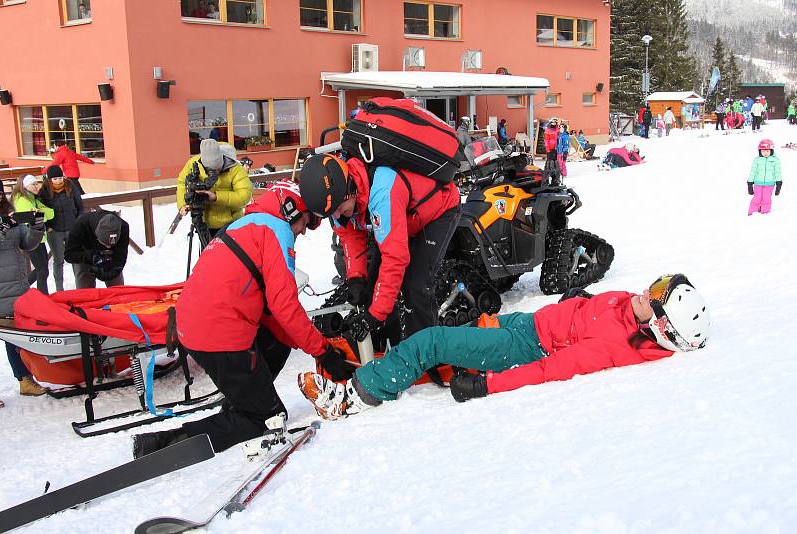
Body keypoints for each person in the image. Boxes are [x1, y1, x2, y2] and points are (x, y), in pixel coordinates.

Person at [131, 181, 350, 457]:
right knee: (267, 420)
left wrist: (306, 341)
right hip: (219, 333)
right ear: (293, 211)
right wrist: (323, 351)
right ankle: (167, 444)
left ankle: (247, 398)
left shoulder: (244, 225)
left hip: (196, 325)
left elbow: (273, 314)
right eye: (307, 222)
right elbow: (285, 306)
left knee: (279, 343)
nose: (304, 230)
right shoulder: (277, 230)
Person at [300, 274, 711, 419]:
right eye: (656, 282)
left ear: (660, 326)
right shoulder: (626, 308)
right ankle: (378, 373)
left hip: (524, 345)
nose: (645, 290)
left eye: (654, 295)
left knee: (433, 340)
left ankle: (354, 396)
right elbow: (590, 314)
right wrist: (575, 302)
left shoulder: (614, 347)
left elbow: (554, 369)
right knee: (451, 341)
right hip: (527, 323)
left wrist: (488, 386)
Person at [298, 153, 461, 347]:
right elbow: (350, 235)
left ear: (349, 190)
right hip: (403, 220)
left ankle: (426, 354)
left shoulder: (383, 190)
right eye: (331, 213)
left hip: (436, 212)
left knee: (415, 286)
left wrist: (374, 315)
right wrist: (357, 278)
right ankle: (386, 345)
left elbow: (395, 259)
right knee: (372, 283)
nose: (337, 214)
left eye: (339, 208)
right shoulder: (336, 202)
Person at [0, 174, 48, 403]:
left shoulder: (8, 218)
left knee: (14, 338)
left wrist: (36, 229)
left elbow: (27, 243)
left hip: (15, 289)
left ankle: (24, 379)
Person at [176, 139, 253, 242]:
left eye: (218, 168)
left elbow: (244, 196)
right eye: (211, 170)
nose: (216, 172)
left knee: (227, 257)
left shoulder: (235, 168)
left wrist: (216, 197)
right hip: (203, 223)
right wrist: (183, 204)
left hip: (230, 225)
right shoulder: (193, 164)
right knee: (207, 257)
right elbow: (181, 182)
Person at [39, 165, 83, 292]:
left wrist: (78, 222)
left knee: (76, 258)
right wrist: (48, 226)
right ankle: (59, 289)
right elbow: (41, 210)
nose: (58, 181)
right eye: (55, 179)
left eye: (60, 178)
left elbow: (79, 205)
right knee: (58, 260)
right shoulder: (44, 191)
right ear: (49, 180)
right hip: (55, 230)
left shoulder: (70, 186)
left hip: (72, 228)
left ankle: (80, 287)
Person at [64, 210, 129, 288]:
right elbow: (69, 255)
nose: (108, 247)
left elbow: (120, 258)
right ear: (97, 236)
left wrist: (111, 273)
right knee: (85, 291)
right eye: (105, 243)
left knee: (117, 288)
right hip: (84, 255)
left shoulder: (123, 227)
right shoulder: (80, 225)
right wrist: (92, 257)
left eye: (112, 245)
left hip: (110, 258)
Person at [12, 175, 54, 295]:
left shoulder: (33, 199)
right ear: (25, 186)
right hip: (30, 239)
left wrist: (40, 214)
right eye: (33, 184)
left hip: (38, 238)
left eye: (37, 183)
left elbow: (51, 214)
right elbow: (32, 219)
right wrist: (40, 214)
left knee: (42, 269)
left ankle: (20, 290)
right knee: (42, 271)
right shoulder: (22, 200)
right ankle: (43, 298)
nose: (36, 186)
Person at [747, 139, 782, 216]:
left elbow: (777, 172)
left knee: (766, 198)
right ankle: (753, 212)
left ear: (771, 150)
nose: (765, 153)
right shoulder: (757, 160)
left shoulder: (775, 160)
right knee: (757, 198)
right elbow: (753, 172)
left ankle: (765, 212)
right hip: (758, 183)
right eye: (762, 151)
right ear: (759, 151)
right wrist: (750, 183)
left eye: (767, 151)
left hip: (770, 184)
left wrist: (779, 183)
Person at [543, 117, 561, 185]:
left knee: (555, 163)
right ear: (550, 122)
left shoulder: (557, 129)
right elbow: (546, 140)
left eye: (555, 122)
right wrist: (547, 149)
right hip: (550, 149)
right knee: (549, 162)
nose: (554, 123)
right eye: (553, 122)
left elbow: (560, 135)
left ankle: (555, 177)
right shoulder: (547, 130)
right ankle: (546, 176)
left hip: (556, 148)